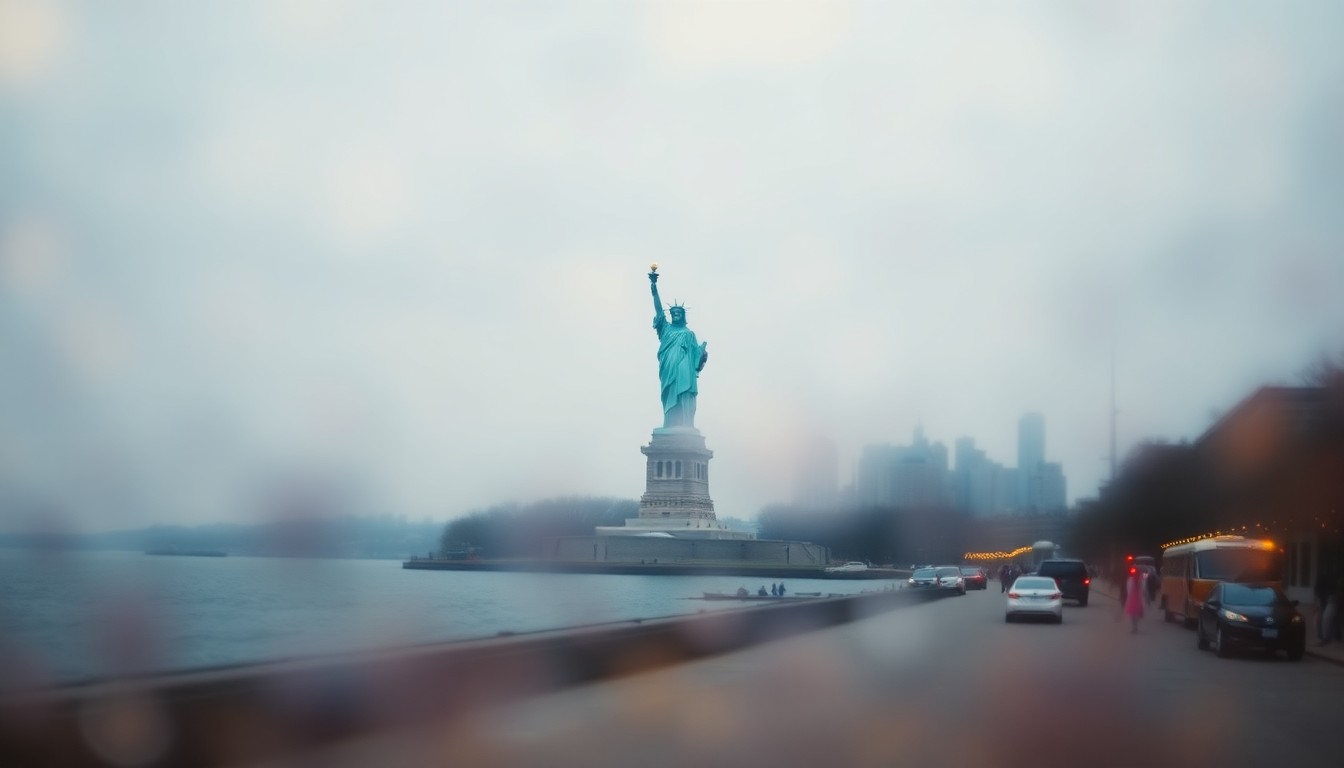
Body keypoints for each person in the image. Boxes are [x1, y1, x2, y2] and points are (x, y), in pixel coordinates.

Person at [648, 266, 708, 429]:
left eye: (678, 313)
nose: (675, 315)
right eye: (673, 313)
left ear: (683, 316)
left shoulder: (689, 334)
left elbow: (697, 360)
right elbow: (659, 311)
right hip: (668, 370)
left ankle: (685, 425)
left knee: (684, 395)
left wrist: (702, 354)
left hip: (685, 373)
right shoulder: (665, 329)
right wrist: (654, 289)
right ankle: (670, 424)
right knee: (669, 395)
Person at [1120, 566, 1145, 633]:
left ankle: (1134, 626)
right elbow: (1143, 589)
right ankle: (1135, 626)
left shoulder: (1131, 579)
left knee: (1132, 614)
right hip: (1137, 597)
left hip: (1132, 597)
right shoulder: (1140, 579)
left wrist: (1128, 597)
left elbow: (1129, 589)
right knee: (1136, 613)